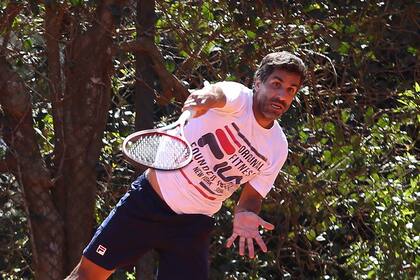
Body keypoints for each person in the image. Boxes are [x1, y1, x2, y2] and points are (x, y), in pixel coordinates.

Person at [66, 51, 306, 280]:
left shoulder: (277, 147)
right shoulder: (238, 98)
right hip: (147, 203)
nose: (282, 95)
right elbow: (216, 94)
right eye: (276, 84)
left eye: (290, 90)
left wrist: (246, 213)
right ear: (258, 82)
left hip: (192, 227)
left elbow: (252, 197)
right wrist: (203, 98)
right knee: (86, 275)